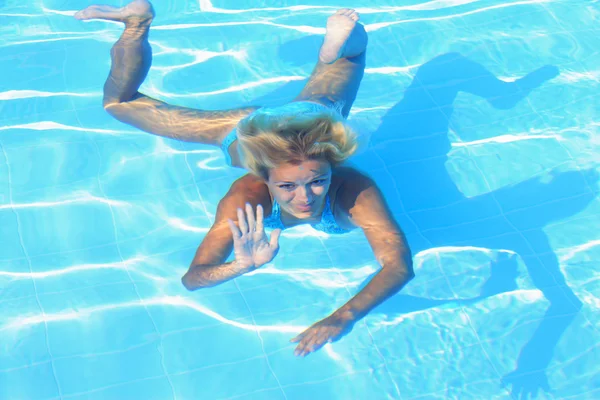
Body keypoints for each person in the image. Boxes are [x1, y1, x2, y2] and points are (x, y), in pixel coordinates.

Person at [76, 0, 414, 357]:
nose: (305, 198)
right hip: (249, 130)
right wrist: (239, 266)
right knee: (117, 105)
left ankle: (137, 22)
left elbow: (400, 266)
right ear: (263, 178)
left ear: (332, 167)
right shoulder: (247, 197)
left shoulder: (353, 189)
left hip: (309, 118)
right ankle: (136, 24)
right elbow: (193, 279)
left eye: (317, 181)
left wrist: (342, 317)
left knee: (121, 102)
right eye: (287, 186)